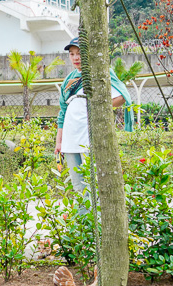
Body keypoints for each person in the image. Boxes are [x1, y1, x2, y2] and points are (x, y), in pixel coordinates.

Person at [54, 37, 133, 192]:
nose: (76, 58)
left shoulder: (99, 73)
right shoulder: (69, 80)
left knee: (94, 183)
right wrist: (59, 142)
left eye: (79, 53)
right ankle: (84, 217)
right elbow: (62, 113)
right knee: (78, 186)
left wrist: (97, 107)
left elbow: (123, 97)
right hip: (70, 138)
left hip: (90, 136)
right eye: (72, 54)